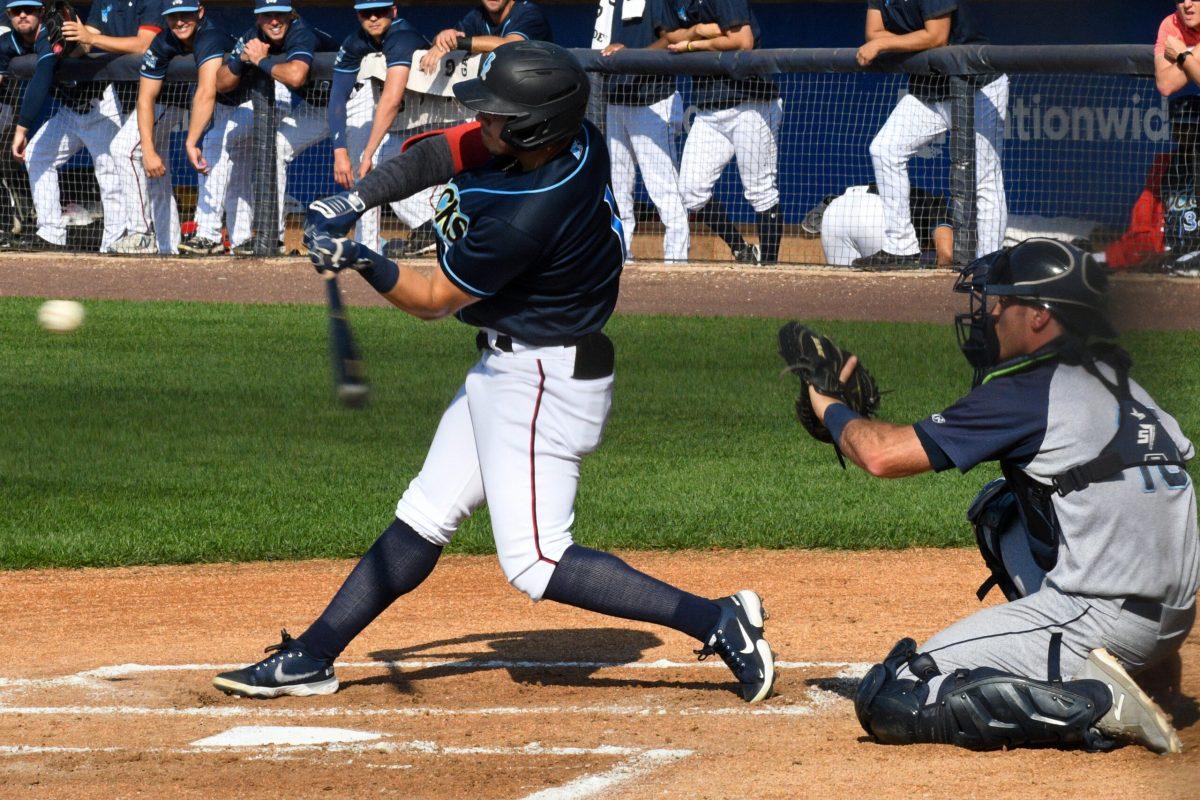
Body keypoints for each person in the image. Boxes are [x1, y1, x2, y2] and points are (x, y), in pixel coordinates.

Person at [213, 41, 776, 706]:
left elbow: (427, 302)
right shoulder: (573, 140)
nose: (483, 124)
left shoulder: (527, 212)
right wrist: (356, 200)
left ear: (535, 126)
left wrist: (361, 259)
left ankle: (719, 620)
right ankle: (311, 657)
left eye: (498, 115)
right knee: (424, 515)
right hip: (509, 367)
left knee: (537, 560)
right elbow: (433, 153)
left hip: (543, 380)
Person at [805, 239, 1196, 753]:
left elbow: (881, 455)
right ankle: (1144, 676)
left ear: (1037, 316)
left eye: (1000, 302)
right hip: (1170, 622)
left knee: (898, 694)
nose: (988, 314)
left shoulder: (1030, 391)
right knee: (1004, 510)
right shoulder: (1123, 385)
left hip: (1101, 616)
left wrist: (829, 406)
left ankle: (1093, 703)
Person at [854, 0, 1007, 270]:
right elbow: (872, 32)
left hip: (977, 85)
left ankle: (988, 263)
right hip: (931, 88)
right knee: (885, 148)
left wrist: (884, 43)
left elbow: (937, 35)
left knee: (983, 178)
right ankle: (901, 247)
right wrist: (910, 39)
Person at [12, 0, 164, 252]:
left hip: (101, 102)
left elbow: (127, 43)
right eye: (17, 12)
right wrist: (66, 45)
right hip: (71, 110)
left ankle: (112, 243)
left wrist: (85, 38)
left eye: (28, 10)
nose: (23, 15)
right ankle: (50, 233)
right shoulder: (30, 39)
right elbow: (84, 42)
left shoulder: (146, 5)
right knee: (38, 154)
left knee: (110, 174)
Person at [656, 0, 782, 265]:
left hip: (750, 101)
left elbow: (742, 40)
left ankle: (769, 266)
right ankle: (742, 250)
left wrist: (693, 44)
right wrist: (699, 30)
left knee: (760, 190)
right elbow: (670, 35)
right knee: (691, 190)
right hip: (709, 107)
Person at [115, 0, 238, 254]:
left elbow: (206, 91)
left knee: (235, 170)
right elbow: (145, 97)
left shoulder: (210, 36)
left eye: (186, 14)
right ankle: (164, 245)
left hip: (255, 100)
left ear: (200, 12)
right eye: (173, 16)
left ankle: (239, 241)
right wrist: (148, 148)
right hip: (222, 105)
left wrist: (190, 141)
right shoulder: (163, 41)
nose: (179, 21)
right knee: (153, 164)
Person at [215, 2, 335, 255]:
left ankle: (411, 232)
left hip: (356, 102)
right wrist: (240, 60)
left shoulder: (300, 32)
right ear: (258, 19)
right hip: (318, 106)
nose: (274, 21)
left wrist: (261, 61)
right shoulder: (252, 37)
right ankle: (274, 238)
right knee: (277, 146)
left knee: (371, 165)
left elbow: (296, 76)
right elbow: (221, 83)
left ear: (290, 16)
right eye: (267, 16)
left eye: (279, 15)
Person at [329, 0, 435, 255]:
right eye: (367, 12)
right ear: (357, 15)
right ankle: (433, 229)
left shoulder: (402, 35)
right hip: (410, 122)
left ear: (394, 11)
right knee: (387, 175)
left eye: (381, 11)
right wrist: (339, 150)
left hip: (445, 117)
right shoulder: (356, 41)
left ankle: (444, 230)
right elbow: (337, 97)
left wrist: (367, 153)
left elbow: (391, 99)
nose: (374, 18)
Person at [596, 0, 688, 262]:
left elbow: (671, 39)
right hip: (617, 100)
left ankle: (677, 263)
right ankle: (622, 257)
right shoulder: (612, 3)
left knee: (664, 188)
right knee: (619, 190)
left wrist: (633, 56)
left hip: (651, 100)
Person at [818, 184, 953, 267]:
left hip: (836, 209)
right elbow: (946, 254)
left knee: (845, 285)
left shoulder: (917, 196)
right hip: (877, 214)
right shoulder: (935, 203)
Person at [417, 0, 552, 76]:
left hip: (541, 99)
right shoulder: (477, 15)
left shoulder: (529, 13)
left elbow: (511, 46)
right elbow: (449, 39)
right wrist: (442, 39)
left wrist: (456, 43)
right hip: (507, 96)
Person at [0, 0, 41, 249]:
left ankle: (19, 219)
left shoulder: (8, 28)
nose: (22, 14)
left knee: (7, 162)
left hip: (7, 100)